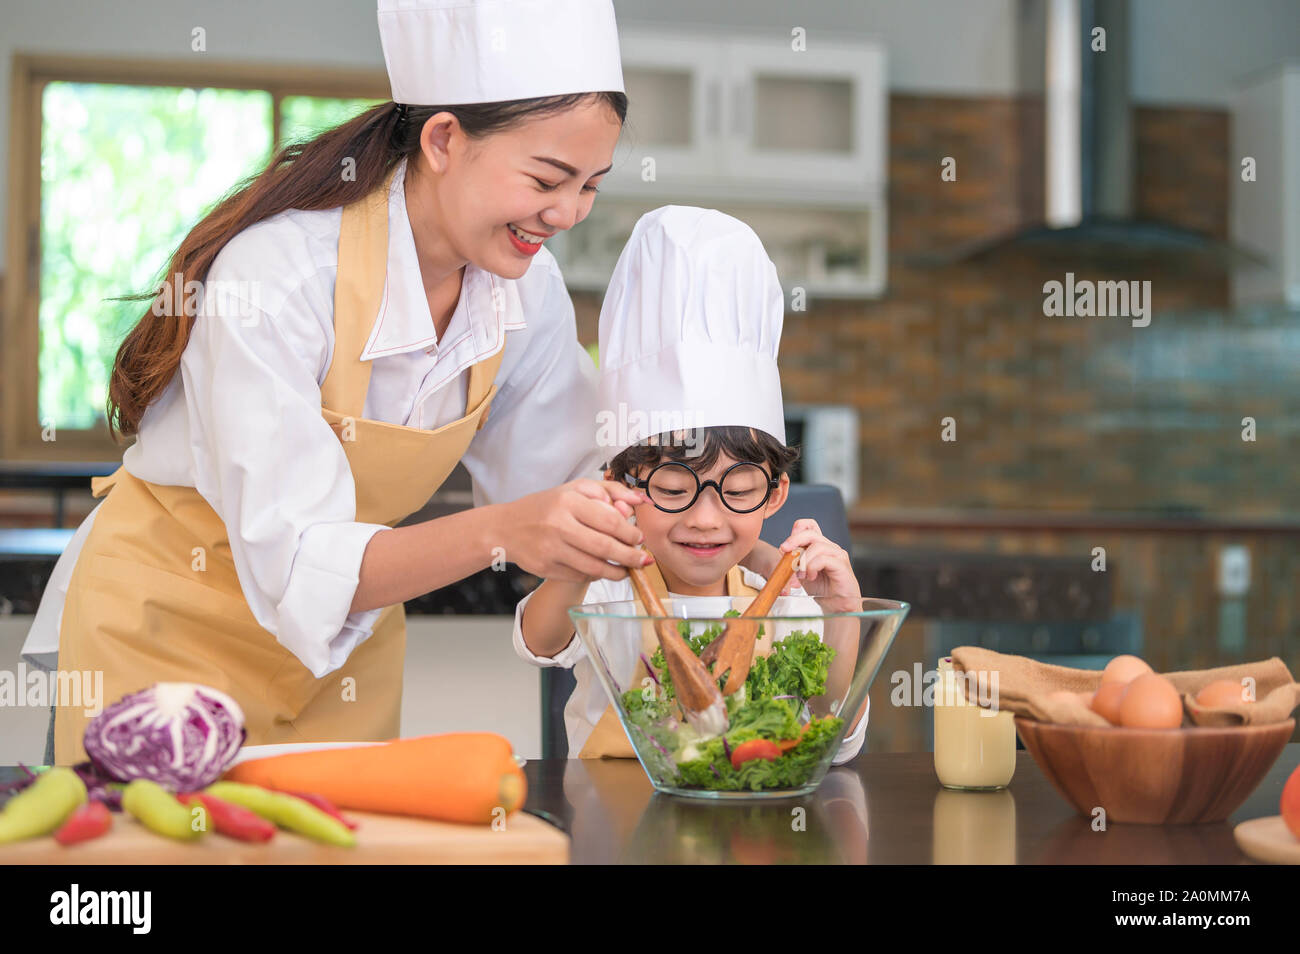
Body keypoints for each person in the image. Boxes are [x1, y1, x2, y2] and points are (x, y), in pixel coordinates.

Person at [24, 0, 653, 765]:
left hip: (342, 655)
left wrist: (710, 540)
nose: (569, 212)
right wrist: (504, 530)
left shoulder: (529, 293)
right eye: (548, 178)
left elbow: (575, 481)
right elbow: (295, 559)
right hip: (167, 628)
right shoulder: (280, 273)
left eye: (591, 185)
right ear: (445, 139)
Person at [513, 206, 868, 761]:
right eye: (675, 490)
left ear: (774, 494)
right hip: (614, 831)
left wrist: (843, 621)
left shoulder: (787, 607)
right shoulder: (607, 591)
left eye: (738, 489)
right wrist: (582, 558)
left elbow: (831, 740)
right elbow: (539, 641)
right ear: (623, 487)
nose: (705, 518)